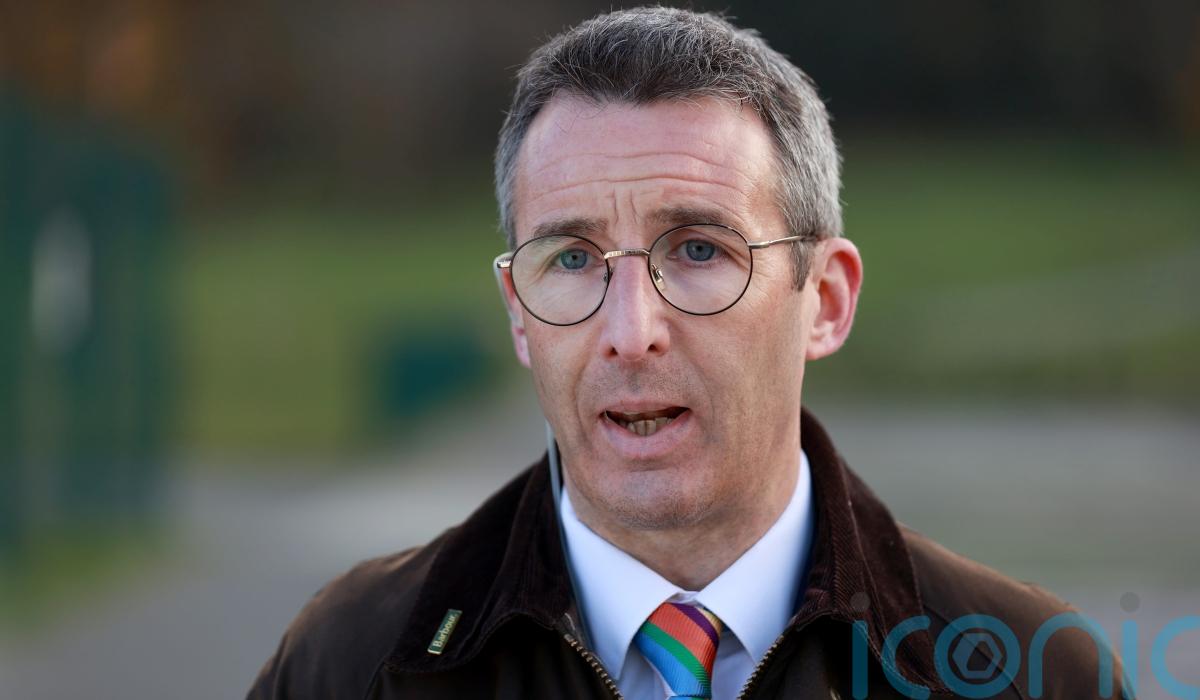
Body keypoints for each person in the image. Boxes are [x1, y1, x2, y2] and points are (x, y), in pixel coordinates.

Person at [249, 8, 1128, 699]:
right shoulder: (351, 664)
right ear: (518, 315)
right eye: (572, 260)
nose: (631, 331)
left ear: (824, 301)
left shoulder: (1033, 674)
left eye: (699, 249)